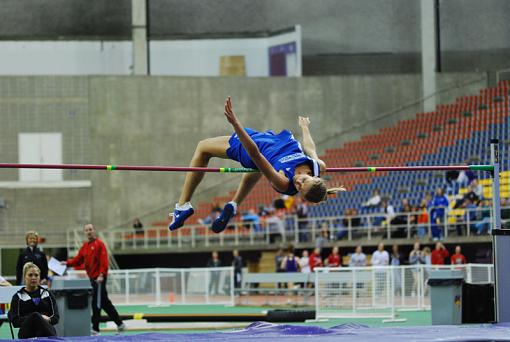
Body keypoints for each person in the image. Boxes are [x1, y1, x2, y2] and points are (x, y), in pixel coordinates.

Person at [169, 97, 345, 233]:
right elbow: (310, 148)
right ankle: (234, 204)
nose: (297, 182)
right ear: (313, 176)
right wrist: (305, 127)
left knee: (203, 148)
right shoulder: (318, 166)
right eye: (303, 181)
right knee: (259, 169)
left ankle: (183, 205)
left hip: (256, 148)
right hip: (271, 141)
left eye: (299, 189)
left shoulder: (283, 182)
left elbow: (256, 155)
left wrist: (236, 124)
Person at [64, 224, 125, 335]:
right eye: (87, 230)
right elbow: (77, 260)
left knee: (96, 303)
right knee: (105, 303)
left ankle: (95, 329)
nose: (89, 232)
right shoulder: (85, 246)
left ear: (94, 231)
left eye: (90, 229)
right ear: (85, 232)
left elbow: (104, 261)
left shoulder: (100, 244)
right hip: (92, 278)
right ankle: (120, 324)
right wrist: (66, 263)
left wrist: (101, 274)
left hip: (99, 278)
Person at [9, 263, 59, 338]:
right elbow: (15, 322)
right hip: (27, 333)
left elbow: (56, 317)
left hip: (45, 331)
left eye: (36, 275)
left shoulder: (48, 294)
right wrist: (35, 318)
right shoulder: (17, 297)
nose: (33, 278)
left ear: (39, 277)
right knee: (35, 315)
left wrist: (47, 320)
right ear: (24, 277)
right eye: (30, 275)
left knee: (37, 320)